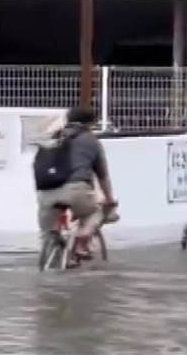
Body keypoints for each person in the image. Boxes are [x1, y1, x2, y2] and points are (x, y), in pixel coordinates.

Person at [35, 107, 118, 260]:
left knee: (47, 234)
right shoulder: (91, 140)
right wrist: (109, 199)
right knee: (95, 212)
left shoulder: (54, 136)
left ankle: (51, 257)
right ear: (91, 123)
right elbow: (102, 176)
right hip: (76, 189)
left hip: (45, 191)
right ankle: (83, 237)